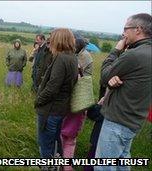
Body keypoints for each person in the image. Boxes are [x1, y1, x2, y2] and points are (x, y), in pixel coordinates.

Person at [95, 13, 151, 171]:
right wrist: (114, 84)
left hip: (118, 121)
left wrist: (116, 50)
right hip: (133, 120)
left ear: (138, 29)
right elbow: (134, 83)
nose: (123, 34)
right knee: (121, 163)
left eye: (126, 29)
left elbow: (105, 76)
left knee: (103, 167)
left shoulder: (134, 55)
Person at [34, 28, 78, 169]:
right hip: (60, 109)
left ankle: (48, 167)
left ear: (58, 40)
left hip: (50, 110)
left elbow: (52, 87)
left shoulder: (61, 58)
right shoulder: (72, 57)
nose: (49, 40)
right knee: (55, 141)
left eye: (52, 37)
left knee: (46, 144)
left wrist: (38, 100)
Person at [60, 36, 93, 171]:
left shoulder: (70, 59)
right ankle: (67, 166)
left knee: (61, 135)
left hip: (69, 103)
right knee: (71, 138)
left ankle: (58, 163)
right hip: (80, 103)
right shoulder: (87, 57)